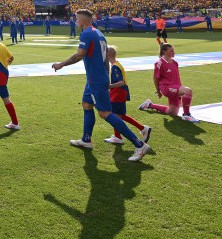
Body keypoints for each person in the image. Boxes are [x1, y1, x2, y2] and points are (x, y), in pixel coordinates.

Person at [52, 9, 151, 162]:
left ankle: (139, 144)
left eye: (77, 19)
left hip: (96, 80)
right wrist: (106, 76)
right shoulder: (99, 34)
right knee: (86, 104)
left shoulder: (86, 34)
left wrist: (61, 64)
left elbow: (79, 55)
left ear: (83, 20)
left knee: (105, 113)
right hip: (96, 79)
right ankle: (86, 139)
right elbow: (105, 59)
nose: (75, 21)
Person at [139, 43, 199, 122]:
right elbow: (155, 78)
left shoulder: (175, 63)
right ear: (164, 51)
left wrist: (179, 89)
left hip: (175, 88)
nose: (174, 53)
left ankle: (149, 105)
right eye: (171, 51)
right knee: (188, 91)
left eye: (173, 51)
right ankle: (186, 115)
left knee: (172, 112)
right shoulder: (159, 63)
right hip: (166, 88)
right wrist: (158, 91)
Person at [105, 45, 151, 145]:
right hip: (120, 92)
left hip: (118, 93)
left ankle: (119, 137)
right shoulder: (117, 64)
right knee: (120, 115)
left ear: (107, 55)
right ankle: (142, 128)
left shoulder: (115, 67)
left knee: (114, 115)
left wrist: (110, 86)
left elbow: (121, 82)